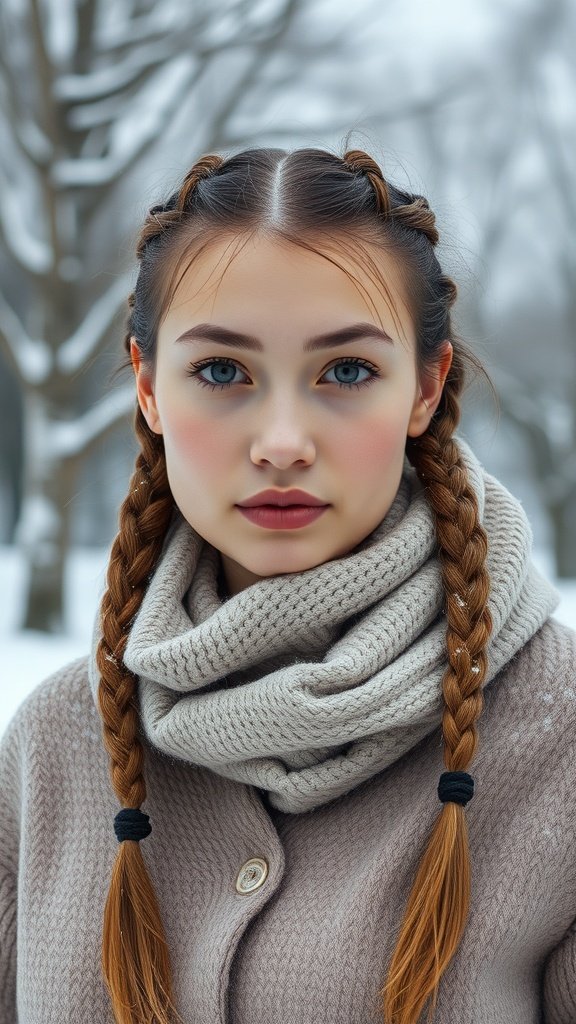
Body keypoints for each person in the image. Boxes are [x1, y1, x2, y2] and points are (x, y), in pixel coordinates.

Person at [1, 144, 575, 1024]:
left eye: (346, 372)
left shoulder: (560, 744)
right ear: (150, 390)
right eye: (222, 372)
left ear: (426, 388)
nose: (280, 440)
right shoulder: (48, 750)